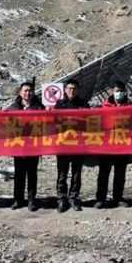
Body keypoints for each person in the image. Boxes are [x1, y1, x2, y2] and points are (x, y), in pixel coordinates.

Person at [95, 81, 132, 209]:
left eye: (121, 91)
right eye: (117, 91)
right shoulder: (104, 106)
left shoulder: (131, 106)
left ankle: (118, 198)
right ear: (112, 91)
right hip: (107, 145)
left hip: (123, 144)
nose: (119, 93)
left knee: (120, 173)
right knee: (103, 173)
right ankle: (100, 199)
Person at [8, 82, 44, 211]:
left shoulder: (39, 107)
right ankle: (18, 199)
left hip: (33, 145)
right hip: (19, 146)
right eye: (25, 90)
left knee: (32, 174)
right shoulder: (13, 107)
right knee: (19, 174)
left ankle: (31, 200)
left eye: (30, 90)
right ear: (20, 92)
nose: (28, 93)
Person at [54, 79, 89, 212]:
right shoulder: (59, 105)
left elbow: (89, 121)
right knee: (62, 174)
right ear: (65, 90)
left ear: (78, 90)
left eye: (74, 88)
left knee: (76, 174)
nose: (71, 91)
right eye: (69, 88)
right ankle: (61, 198)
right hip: (63, 145)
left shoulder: (83, 104)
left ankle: (73, 198)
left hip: (78, 145)